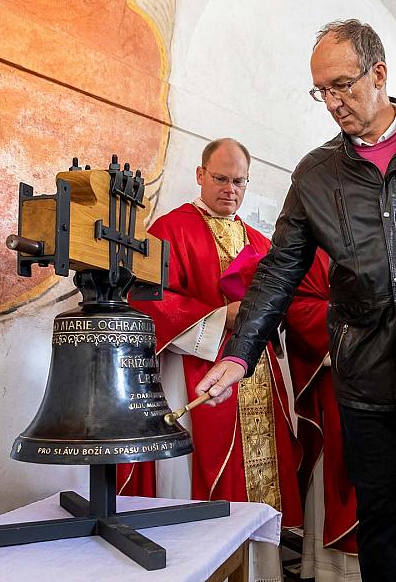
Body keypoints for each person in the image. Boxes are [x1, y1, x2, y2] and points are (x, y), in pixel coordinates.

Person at [194, 19, 396, 582]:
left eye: (342, 85)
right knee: (378, 518)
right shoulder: (316, 174)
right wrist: (239, 354)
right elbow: (279, 273)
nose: (332, 102)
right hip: (366, 370)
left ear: (380, 74)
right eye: (321, 90)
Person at [126, 138, 304, 580]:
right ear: (201, 175)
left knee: (262, 474)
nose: (231, 189)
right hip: (195, 371)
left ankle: (261, 570)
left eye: (239, 181)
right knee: (196, 480)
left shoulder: (261, 241)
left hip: (255, 377)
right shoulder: (170, 230)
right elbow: (147, 301)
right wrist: (220, 315)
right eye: (221, 179)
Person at [286, 251, 396, 581]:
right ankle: (345, 570)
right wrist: (365, 323)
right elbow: (300, 305)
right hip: (347, 376)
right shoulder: (316, 248)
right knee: (355, 468)